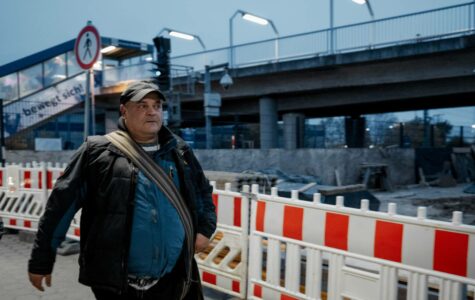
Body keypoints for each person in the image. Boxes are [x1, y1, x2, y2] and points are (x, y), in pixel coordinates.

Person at [28, 80, 217, 299]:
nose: (151, 112)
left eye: (157, 106)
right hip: (118, 284)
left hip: (173, 278)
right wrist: (41, 260)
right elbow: (59, 209)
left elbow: (203, 192)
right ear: (123, 110)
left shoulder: (179, 151)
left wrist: (204, 229)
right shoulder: (97, 152)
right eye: (142, 105)